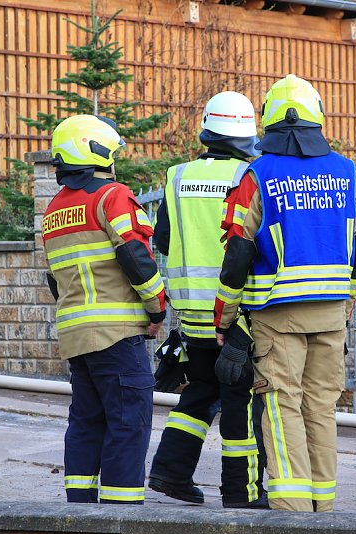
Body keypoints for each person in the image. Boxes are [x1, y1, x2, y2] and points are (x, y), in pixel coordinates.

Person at [213, 74, 356, 512]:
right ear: (317, 119)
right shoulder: (347, 172)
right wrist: (348, 300)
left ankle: (292, 511)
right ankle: (323, 507)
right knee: (321, 406)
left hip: (277, 314)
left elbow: (238, 256)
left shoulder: (256, 175)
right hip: (332, 314)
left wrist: (222, 319)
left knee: (282, 407)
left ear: (270, 122)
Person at [148, 91, 268, 509]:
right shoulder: (252, 176)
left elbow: (162, 239)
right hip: (234, 310)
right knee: (240, 399)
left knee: (199, 390)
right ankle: (241, 492)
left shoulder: (176, 176)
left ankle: (170, 471)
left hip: (191, 314)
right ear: (248, 134)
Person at [42, 114, 167, 504]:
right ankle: (121, 513)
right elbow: (135, 254)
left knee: (85, 422)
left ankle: (79, 509)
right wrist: (157, 309)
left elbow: (54, 279)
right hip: (117, 333)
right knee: (128, 423)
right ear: (97, 153)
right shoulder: (111, 196)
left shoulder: (54, 210)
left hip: (76, 337)